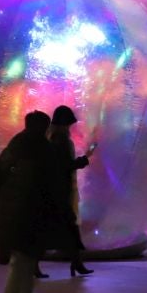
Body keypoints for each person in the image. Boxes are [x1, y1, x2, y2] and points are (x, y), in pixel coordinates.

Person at [0, 111, 61, 293]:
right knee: (21, 263)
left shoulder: (14, 147)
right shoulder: (45, 151)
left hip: (12, 213)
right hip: (31, 216)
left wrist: (3, 202)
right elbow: (53, 188)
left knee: (27, 263)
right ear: (44, 128)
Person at [48, 105, 95, 277]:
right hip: (61, 192)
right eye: (68, 124)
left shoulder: (53, 139)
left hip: (58, 190)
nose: (70, 128)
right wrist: (86, 158)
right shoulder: (61, 141)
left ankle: (76, 263)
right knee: (69, 227)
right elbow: (66, 166)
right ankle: (76, 263)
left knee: (64, 227)